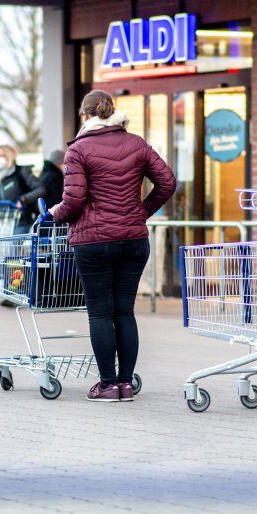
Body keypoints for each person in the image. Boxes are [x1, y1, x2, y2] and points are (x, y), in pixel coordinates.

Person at [45, 90, 176, 402]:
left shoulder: (78, 150)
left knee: (101, 313)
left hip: (94, 243)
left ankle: (107, 385)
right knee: (125, 313)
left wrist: (53, 214)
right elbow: (168, 182)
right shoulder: (137, 143)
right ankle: (126, 384)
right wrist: (140, 212)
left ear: (84, 116)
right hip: (133, 240)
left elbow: (73, 200)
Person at [0, 144, 44, 232]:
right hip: (2, 222)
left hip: (21, 220)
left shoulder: (21, 171)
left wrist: (23, 199)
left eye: (2, 156)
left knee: (13, 245)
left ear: (10, 157)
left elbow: (41, 189)